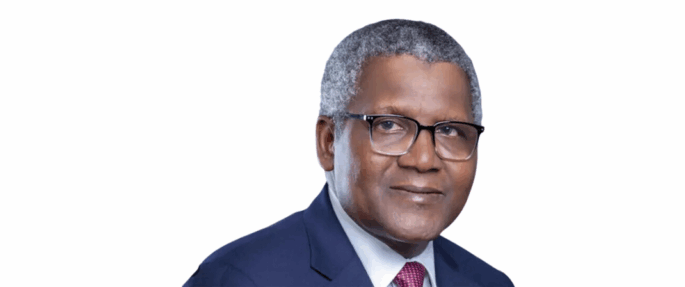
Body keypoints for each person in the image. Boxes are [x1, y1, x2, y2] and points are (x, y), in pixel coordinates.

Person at [183, 19, 514, 287]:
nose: (424, 160)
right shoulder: (238, 280)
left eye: (450, 131)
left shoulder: (489, 283)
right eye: (389, 125)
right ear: (328, 142)